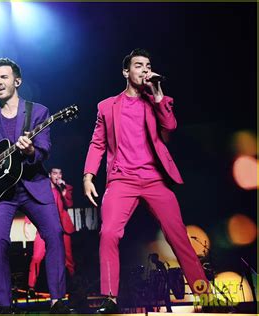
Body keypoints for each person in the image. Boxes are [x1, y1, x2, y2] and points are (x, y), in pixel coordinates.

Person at [83, 48, 210, 313]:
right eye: (138, 65)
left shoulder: (157, 102)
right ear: (126, 72)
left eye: (147, 65)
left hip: (155, 181)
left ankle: (205, 294)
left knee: (179, 237)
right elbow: (97, 143)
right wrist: (88, 176)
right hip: (121, 181)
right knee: (108, 233)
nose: (144, 70)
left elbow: (170, 126)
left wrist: (158, 92)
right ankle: (110, 299)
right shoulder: (107, 107)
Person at [0, 58, 71, 314]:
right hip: (1, 192)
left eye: (4, 77)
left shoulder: (38, 112)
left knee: (54, 233)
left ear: (17, 81)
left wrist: (31, 149)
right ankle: (4, 305)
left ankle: (57, 300)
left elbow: (44, 150)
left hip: (33, 184)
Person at [24, 167, 75, 296]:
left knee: (68, 260)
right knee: (37, 257)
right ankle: (31, 287)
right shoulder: (43, 189)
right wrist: (27, 222)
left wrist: (63, 191)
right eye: (54, 173)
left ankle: (74, 286)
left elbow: (69, 204)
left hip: (63, 228)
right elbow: (32, 203)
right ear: (49, 175)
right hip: (45, 227)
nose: (57, 175)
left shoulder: (66, 188)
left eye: (60, 173)